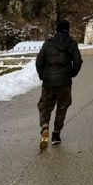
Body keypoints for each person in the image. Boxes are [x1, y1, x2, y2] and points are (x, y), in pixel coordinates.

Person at [36, 20, 83, 149]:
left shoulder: (48, 43)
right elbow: (78, 62)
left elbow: (39, 61)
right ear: (68, 30)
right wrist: (71, 74)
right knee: (62, 107)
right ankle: (56, 134)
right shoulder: (72, 43)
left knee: (44, 106)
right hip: (64, 82)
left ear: (56, 30)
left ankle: (45, 125)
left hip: (49, 82)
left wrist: (42, 76)